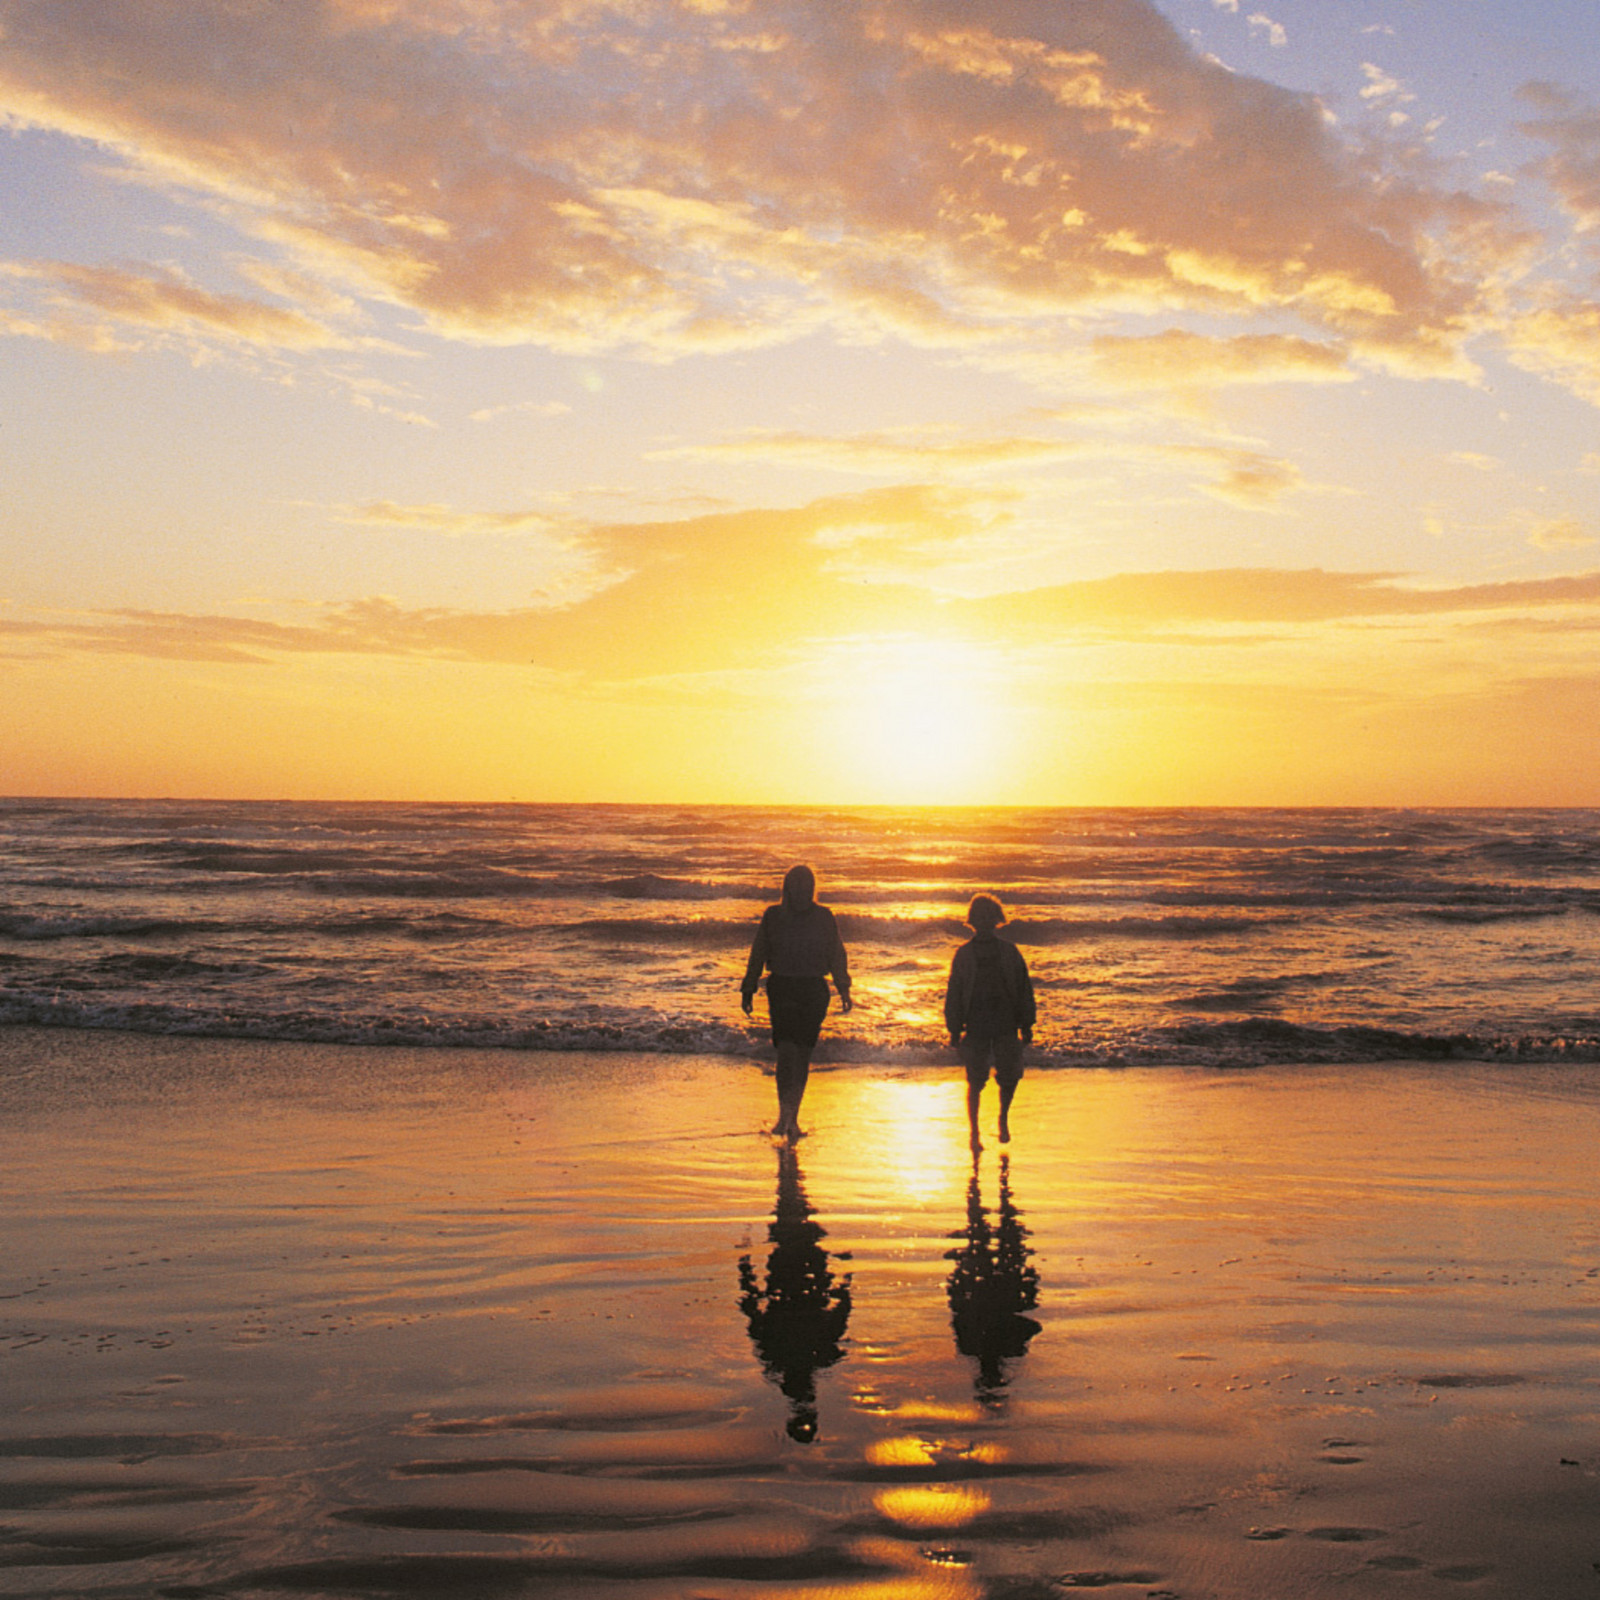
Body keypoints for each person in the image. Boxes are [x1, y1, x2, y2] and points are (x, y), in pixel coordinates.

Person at [741, 864, 852, 1142]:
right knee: (786, 1051)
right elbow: (758, 952)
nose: (802, 890)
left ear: (812, 889)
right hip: (783, 986)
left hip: (813, 988)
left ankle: (793, 1117)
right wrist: (749, 986)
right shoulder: (774, 916)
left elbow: (837, 954)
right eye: (797, 885)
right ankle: (783, 1115)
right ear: (788, 888)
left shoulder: (824, 917)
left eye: (807, 885)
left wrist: (844, 987)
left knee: (802, 1054)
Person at [945, 894, 1035, 1150]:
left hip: (1006, 1021)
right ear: (973, 921)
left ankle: (1003, 1118)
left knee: (1010, 1075)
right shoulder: (964, 955)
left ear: (996, 920)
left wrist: (1027, 1023)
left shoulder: (1009, 952)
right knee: (975, 1080)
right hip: (976, 1023)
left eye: (988, 916)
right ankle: (974, 1133)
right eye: (980, 917)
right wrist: (953, 1027)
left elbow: (1023, 988)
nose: (984, 921)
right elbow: (954, 992)